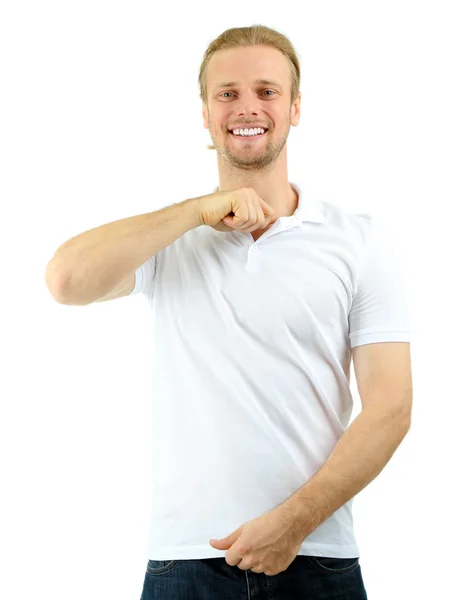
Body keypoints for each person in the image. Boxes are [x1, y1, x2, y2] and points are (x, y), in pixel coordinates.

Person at [45, 24, 412, 600]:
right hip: (185, 561)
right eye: (228, 93)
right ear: (205, 113)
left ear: (295, 109)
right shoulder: (171, 238)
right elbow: (65, 281)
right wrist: (196, 211)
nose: (248, 107)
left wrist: (293, 523)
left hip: (317, 557)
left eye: (267, 91)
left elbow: (391, 408)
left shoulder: (359, 240)